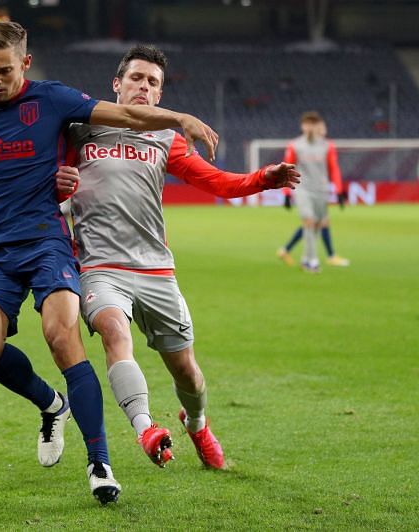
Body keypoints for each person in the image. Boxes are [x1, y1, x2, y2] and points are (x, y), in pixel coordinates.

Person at [0, 22, 219, 504]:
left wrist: (178, 118)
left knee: (62, 336)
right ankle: (50, 405)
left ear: (24, 63)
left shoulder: (55, 100)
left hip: (47, 243)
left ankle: (99, 464)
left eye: (3, 71)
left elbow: (126, 114)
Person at [55, 44, 299, 470]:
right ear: (117, 84)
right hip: (100, 266)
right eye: (136, 78)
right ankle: (146, 429)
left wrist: (263, 179)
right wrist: (58, 186)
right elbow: (47, 182)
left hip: (156, 269)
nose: (143, 87)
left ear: (160, 94)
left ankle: (198, 423)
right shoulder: (79, 129)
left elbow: (217, 182)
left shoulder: (166, 138)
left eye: (153, 82)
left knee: (186, 371)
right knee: (114, 331)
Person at [276, 113, 350, 272]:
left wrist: (338, 190)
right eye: (307, 124)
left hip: (321, 190)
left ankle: (305, 258)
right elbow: (287, 169)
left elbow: (334, 169)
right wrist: (286, 194)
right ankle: (313, 261)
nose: (310, 127)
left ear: (318, 126)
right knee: (309, 221)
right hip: (303, 189)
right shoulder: (294, 145)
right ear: (303, 126)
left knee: (317, 224)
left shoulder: (327, 146)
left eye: (313, 124)